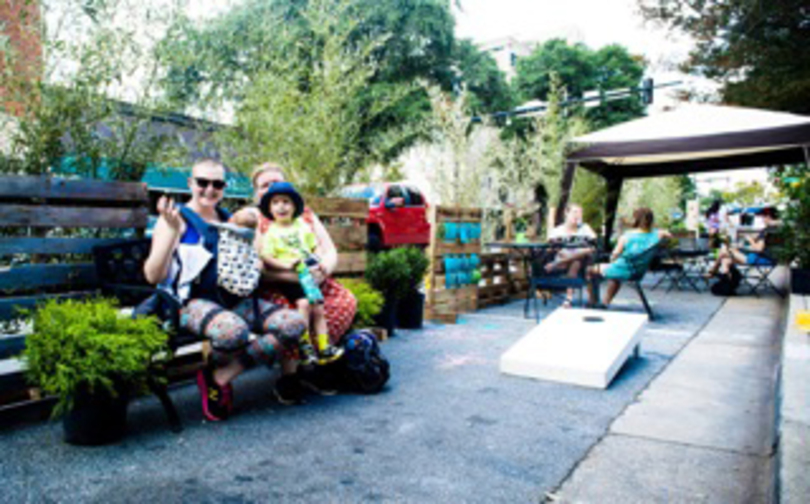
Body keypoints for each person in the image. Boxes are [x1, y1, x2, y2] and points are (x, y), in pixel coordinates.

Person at [143, 158, 307, 420]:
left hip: (233, 300)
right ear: (190, 184)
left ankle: (220, 376)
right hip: (189, 303)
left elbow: (250, 261)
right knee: (233, 331)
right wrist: (172, 232)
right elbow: (152, 276)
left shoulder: (229, 220)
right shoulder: (175, 220)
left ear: (224, 187)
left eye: (217, 183)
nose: (209, 189)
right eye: (202, 182)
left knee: (294, 323)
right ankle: (218, 379)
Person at [231, 162, 357, 397]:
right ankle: (290, 376)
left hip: (312, 278)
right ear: (256, 192)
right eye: (264, 186)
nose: (271, 189)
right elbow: (259, 266)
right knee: (292, 314)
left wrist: (322, 271)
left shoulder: (303, 214)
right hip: (275, 284)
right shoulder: (254, 218)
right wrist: (295, 275)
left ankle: (317, 361)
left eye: (276, 183)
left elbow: (329, 250)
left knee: (342, 301)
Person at [258, 181, 344, 366]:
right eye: (276, 202)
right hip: (290, 279)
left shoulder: (302, 225)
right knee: (304, 304)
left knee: (319, 307)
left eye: (286, 202)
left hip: (308, 275)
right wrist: (286, 265)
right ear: (270, 208)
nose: (281, 207)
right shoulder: (271, 232)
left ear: (295, 206)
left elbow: (314, 246)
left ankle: (324, 347)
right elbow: (266, 256)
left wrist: (319, 262)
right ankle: (304, 345)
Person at [587, 207, 671, 307]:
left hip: (624, 269)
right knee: (615, 274)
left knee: (589, 270)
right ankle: (605, 302)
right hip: (638, 271)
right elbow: (669, 235)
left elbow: (614, 256)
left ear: (635, 219)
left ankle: (592, 300)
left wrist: (611, 260)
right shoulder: (657, 234)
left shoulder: (627, 236)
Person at [544, 204, 597, 308]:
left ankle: (569, 298)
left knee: (578, 260)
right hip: (564, 259)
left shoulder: (585, 228)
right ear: (566, 213)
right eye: (574, 212)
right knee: (576, 260)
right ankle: (574, 297)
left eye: (580, 213)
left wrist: (562, 260)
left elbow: (593, 245)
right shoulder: (558, 230)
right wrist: (565, 256)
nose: (577, 215)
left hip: (581, 261)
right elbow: (552, 247)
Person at [706, 206, 780, 278]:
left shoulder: (768, 230)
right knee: (725, 260)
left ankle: (712, 272)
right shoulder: (775, 229)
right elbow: (759, 241)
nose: (762, 220)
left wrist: (750, 240)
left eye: (763, 217)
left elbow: (759, 249)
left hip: (761, 259)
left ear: (768, 217)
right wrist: (748, 239)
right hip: (769, 258)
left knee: (724, 251)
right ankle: (726, 284)